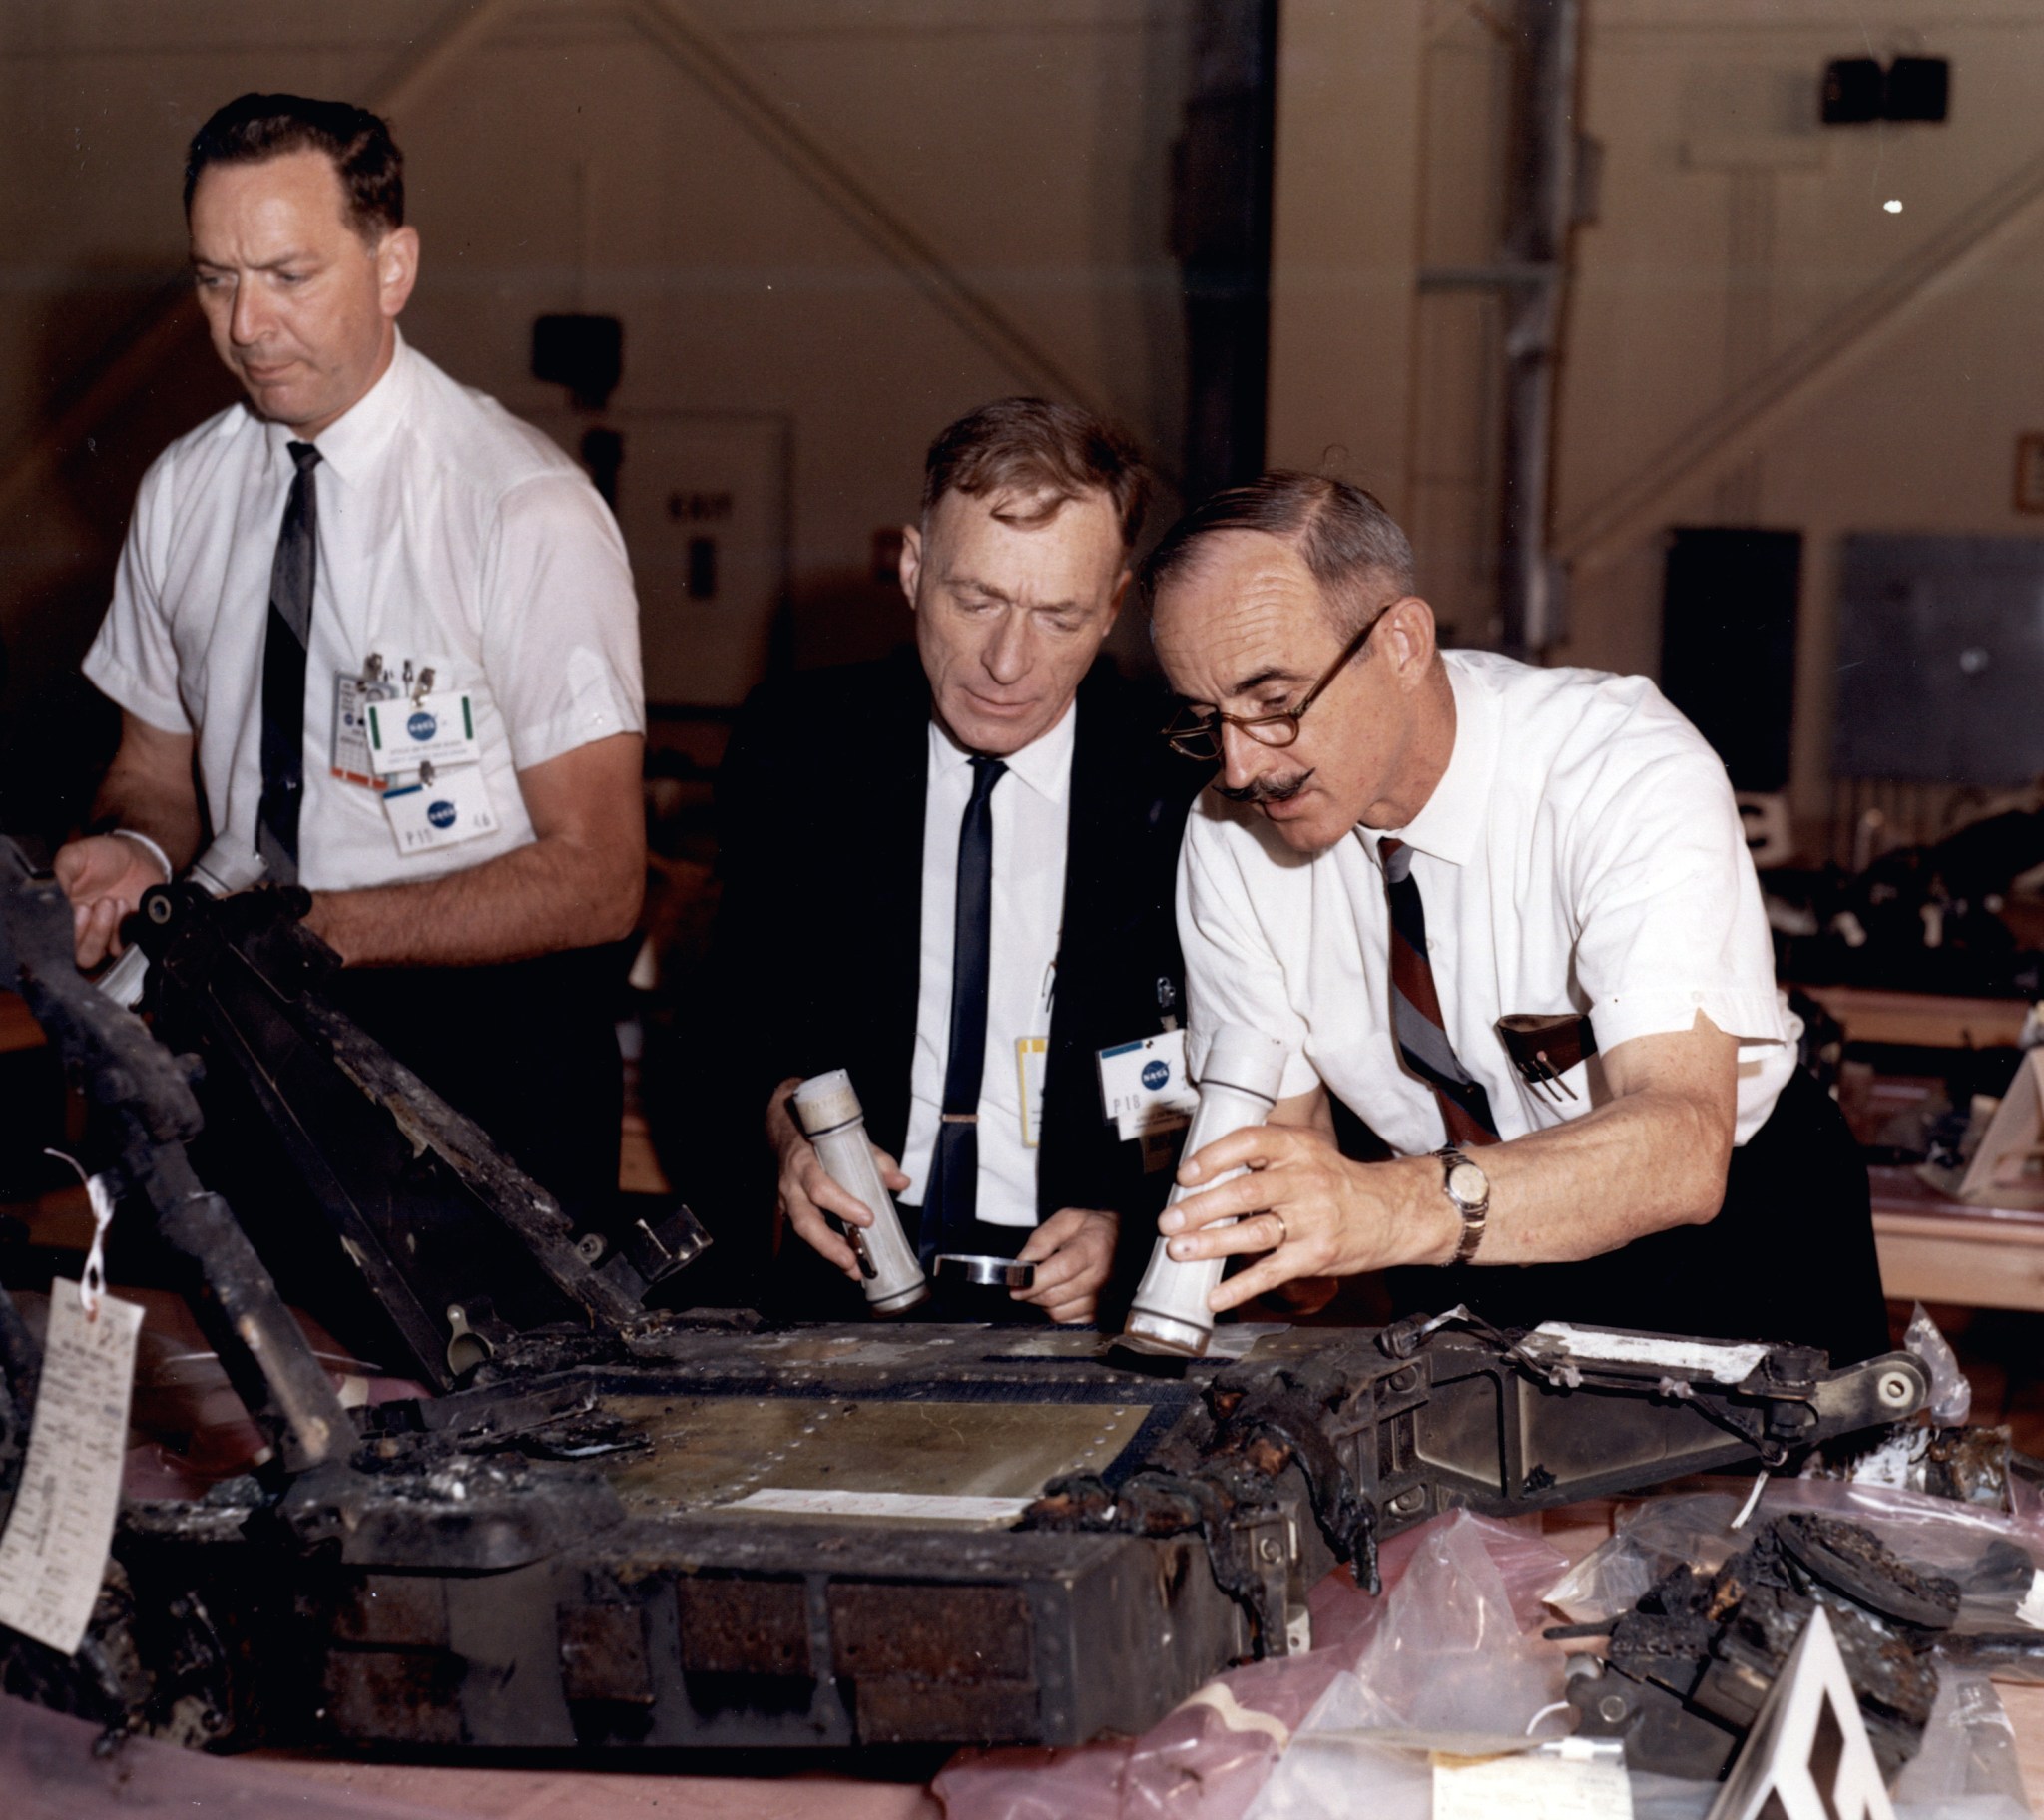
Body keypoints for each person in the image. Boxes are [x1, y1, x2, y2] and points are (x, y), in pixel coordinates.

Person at [53, 93, 646, 1221]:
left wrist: (325, 926)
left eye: (288, 274)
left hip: (470, 1059)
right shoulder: (184, 488)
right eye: (215, 279)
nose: (246, 325)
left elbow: (601, 876)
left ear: (393, 267)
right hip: (231, 1032)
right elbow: (157, 771)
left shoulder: (520, 509)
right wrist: (131, 845)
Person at [1143, 471, 1889, 1363]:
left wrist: (1380, 1210)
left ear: (1404, 641)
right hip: (1456, 1250)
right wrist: (1253, 1248)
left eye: (1275, 702)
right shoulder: (1229, 837)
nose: (1236, 766)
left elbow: (1684, 1146)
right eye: (1204, 719)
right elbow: (1297, 1182)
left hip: (1724, 1242)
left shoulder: (1619, 766)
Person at [702, 398, 1199, 1325]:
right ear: (912, 566)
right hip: (851, 1283)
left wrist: (1133, 1230)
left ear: (1115, 610)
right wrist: (787, 1135)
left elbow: (1220, 1073)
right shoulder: (801, 747)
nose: (1008, 662)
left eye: (1059, 616)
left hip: (1087, 1307)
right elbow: (737, 1022)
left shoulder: (1181, 790)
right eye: (976, 600)